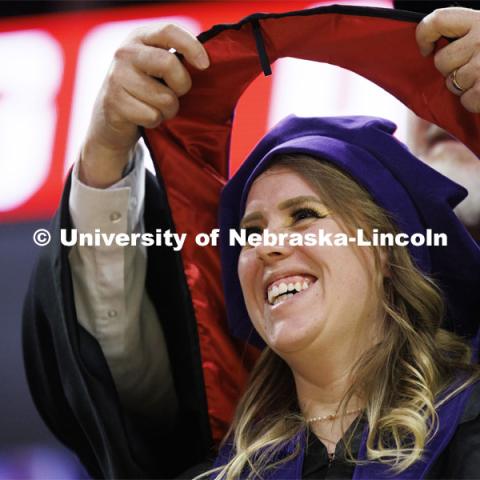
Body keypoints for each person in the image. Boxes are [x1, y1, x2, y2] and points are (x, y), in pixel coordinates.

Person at [22, 4, 480, 479]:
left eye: (305, 215)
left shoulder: (467, 429)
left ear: (388, 249)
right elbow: (104, 374)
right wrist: (104, 149)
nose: (267, 246)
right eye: (249, 233)